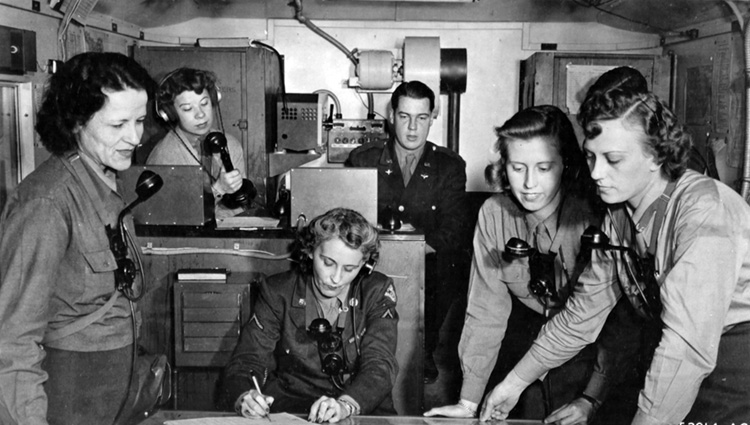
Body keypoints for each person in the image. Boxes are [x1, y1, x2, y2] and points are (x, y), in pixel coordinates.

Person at [480, 77, 750, 424]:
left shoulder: (704, 210)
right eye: (591, 157)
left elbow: (685, 348)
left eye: (614, 159)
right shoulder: (619, 215)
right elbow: (581, 316)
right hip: (683, 357)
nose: (596, 173)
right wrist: (515, 382)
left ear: (655, 155)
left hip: (737, 359)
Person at [423, 104, 631, 423]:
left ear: (566, 165)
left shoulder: (600, 217)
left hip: (603, 355)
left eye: (544, 168)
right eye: (518, 168)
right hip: (534, 345)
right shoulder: (494, 215)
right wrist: (469, 401)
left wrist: (592, 397)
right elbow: (485, 311)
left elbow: (613, 323)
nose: (529, 183)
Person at [0, 52, 154, 424]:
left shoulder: (105, 180)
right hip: (69, 397)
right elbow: (13, 341)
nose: (134, 138)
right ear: (76, 123)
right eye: (118, 124)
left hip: (116, 395)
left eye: (140, 121)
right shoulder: (46, 203)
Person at [220, 208, 399, 423]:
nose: (336, 278)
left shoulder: (377, 291)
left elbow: (380, 364)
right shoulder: (277, 291)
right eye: (328, 263)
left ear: (365, 265)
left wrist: (345, 405)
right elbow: (248, 360)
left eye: (350, 268)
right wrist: (245, 397)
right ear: (311, 251)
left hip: (359, 405)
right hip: (293, 407)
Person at [345, 80, 472, 384]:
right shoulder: (364, 159)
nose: (413, 128)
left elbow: (453, 231)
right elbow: (348, 222)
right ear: (392, 116)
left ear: (432, 118)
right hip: (372, 258)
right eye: (405, 117)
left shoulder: (449, 166)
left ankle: (423, 349)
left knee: (449, 268)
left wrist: (411, 246)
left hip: (427, 264)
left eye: (422, 118)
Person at [147, 67, 248, 219]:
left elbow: (239, 207)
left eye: (205, 103)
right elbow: (168, 215)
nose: (200, 114)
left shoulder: (231, 145)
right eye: (187, 109)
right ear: (170, 114)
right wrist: (218, 189)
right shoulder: (163, 156)